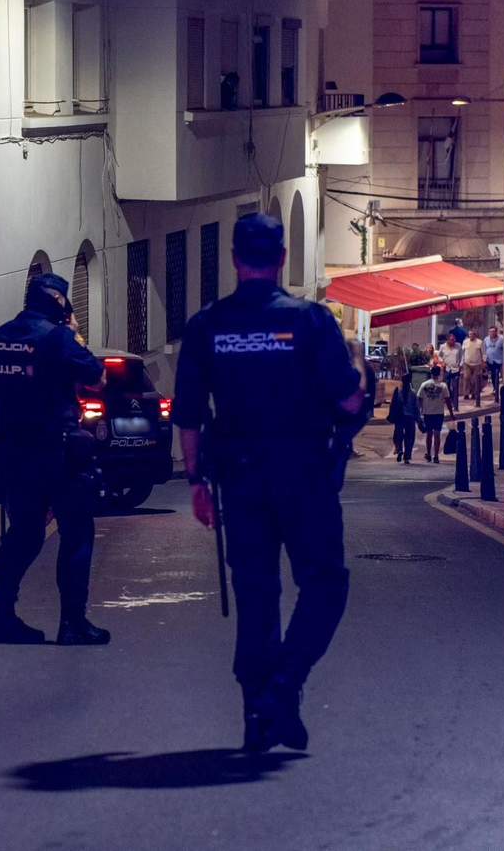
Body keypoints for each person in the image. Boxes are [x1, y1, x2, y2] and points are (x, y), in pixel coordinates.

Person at [174, 213, 365, 754]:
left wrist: (195, 482)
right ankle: (285, 683)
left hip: (240, 479)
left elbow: (187, 415)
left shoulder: (206, 325)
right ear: (282, 258)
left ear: (234, 259)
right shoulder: (309, 321)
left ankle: (259, 712)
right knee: (325, 583)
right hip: (304, 474)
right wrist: (361, 370)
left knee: (256, 594)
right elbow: (349, 400)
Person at [0, 272, 111, 647]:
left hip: (17, 451)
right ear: (60, 301)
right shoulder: (60, 337)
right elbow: (97, 379)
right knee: (76, 532)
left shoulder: (3, 336)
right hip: (59, 452)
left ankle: (0, 617)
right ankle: (72, 624)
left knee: (23, 533)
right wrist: (74, 332)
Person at [415, 365, 450, 463]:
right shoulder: (443, 386)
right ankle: (436, 456)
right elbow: (448, 400)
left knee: (429, 434)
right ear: (439, 374)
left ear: (431, 373)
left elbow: (419, 398)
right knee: (437, 434)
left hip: (428, 412)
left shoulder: (424, 385)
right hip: (439, 413)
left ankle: (429, 454)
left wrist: (420, 410)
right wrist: (451, 413)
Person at [387, 372, 420, 464]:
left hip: (399, 417)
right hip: (410, 417)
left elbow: (392, 404)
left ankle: (399, 449)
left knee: (399, 434)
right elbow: (416, 407)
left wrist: (391, 415)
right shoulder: (413, 393)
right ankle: (407, 456)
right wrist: (418, 419)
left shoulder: (397, 391)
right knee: (409, 437)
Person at [437, 333, 463, 414]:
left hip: (456, 369)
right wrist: (442, 362)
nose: (453, 341)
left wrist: (460, 365)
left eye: (454, 339)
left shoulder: (458, 346)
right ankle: (448, 403)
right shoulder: (443, 347)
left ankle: (456, 407)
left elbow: (462, 356)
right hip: (447, 369)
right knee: (446, 387)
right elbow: (439, 356)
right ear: (448, 340)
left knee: (455, 388)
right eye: (452, 340)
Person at [462, 331, 485, 404]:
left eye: (472, 334)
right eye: (470, 334)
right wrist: (461, 362)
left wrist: (484, 361)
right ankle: (466, 393)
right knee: (466, 377)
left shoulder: (479, 342)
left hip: (476, 363)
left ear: (475, 335)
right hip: (467, 363)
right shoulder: (465, 342)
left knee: (475, 379)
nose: (471, 335)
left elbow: (483, 352)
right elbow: (463, 352)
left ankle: (474, 393)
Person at [484, 326, 504, 393]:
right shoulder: (486, 340)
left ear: (496, 332)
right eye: (491, 331)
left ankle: (496, 389)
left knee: (495, 375)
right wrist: (484, 360)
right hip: (489, 360)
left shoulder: (501, 340)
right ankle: (494, 387)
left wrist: (503, 362)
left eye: (493, 331)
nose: (492, 333)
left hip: (498, 360)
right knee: (492, 376)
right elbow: (484, 350)